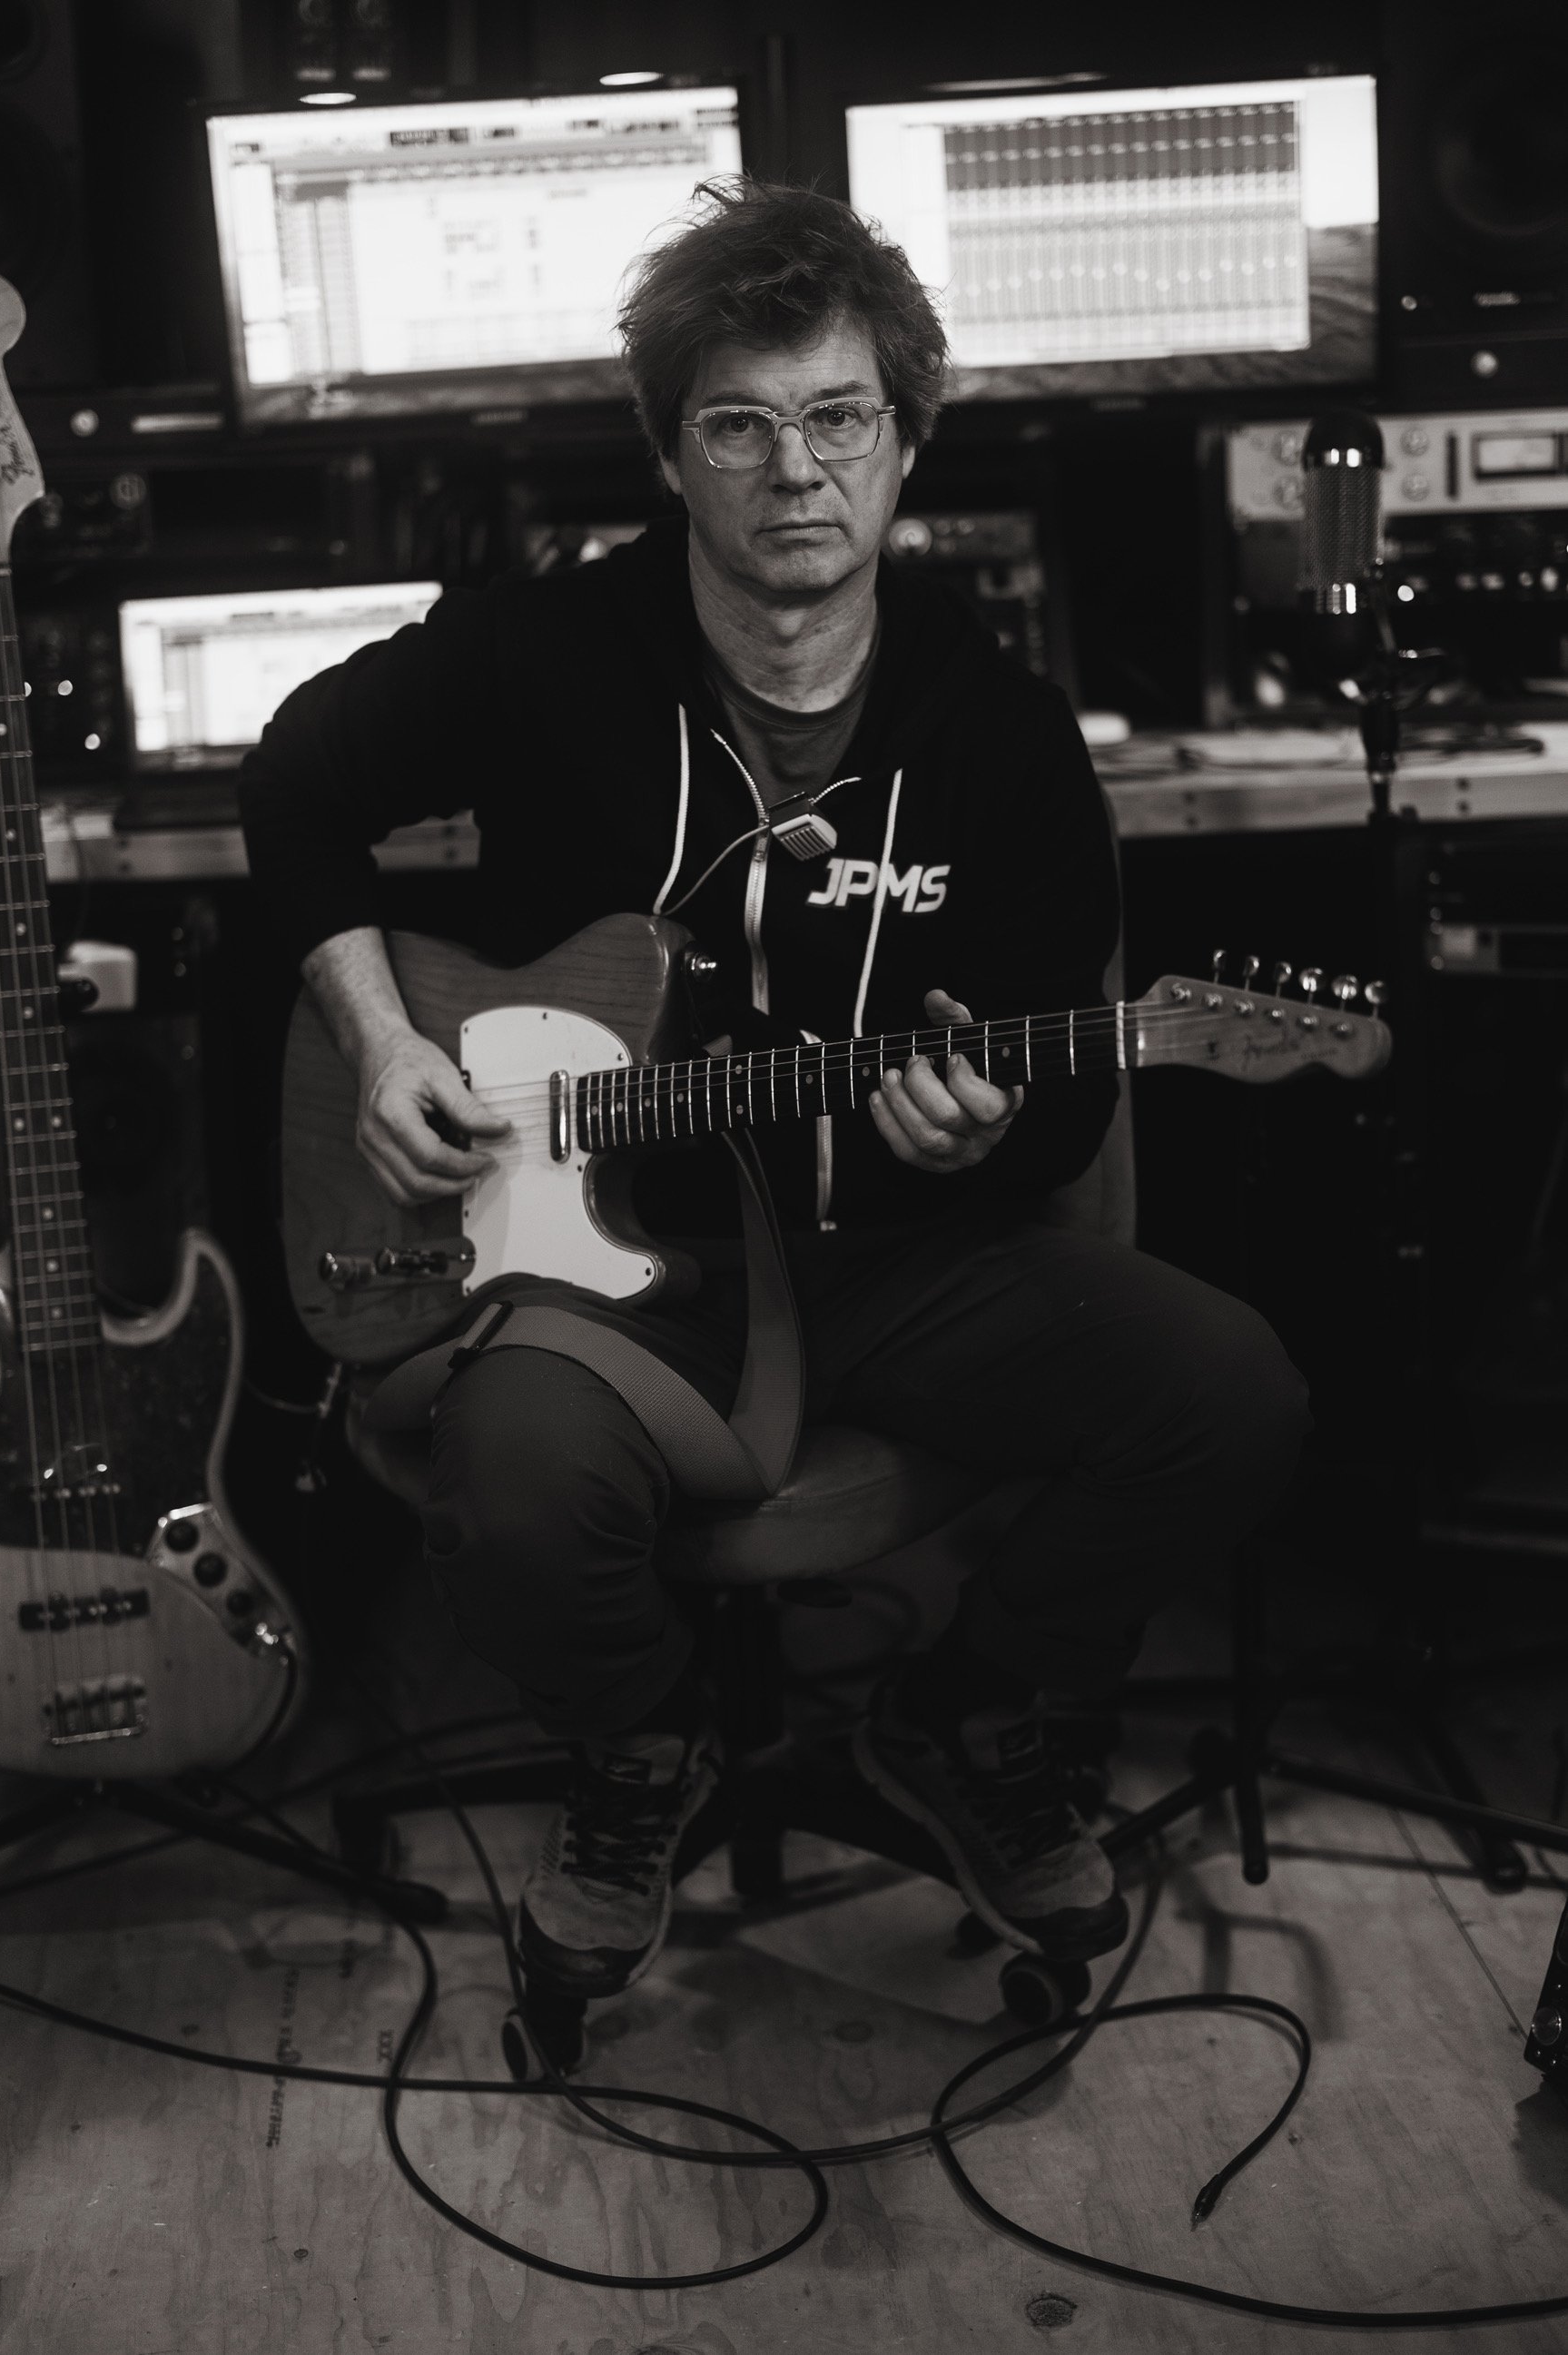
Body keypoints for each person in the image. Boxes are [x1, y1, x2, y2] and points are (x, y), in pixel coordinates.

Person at [240, 179, 1308, 2007]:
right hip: (595, 1265)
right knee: (504, 1482)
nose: (792, 470)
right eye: (738, 425)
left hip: (885, 1250)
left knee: (1233, 1392)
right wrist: (386, 1039)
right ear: (672, 454)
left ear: (905, 444)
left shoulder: (1001, 734)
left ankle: (960, 1720)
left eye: (836, 419)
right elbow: (294, 782)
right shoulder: (540, 653)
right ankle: (640, 1751)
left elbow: (1057, 1084)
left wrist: (994, 1123)